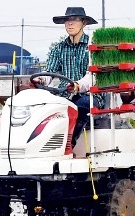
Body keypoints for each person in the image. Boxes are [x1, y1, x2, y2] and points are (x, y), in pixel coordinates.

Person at [35, 7, 104, 149]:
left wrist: (78, 85)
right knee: (44, 108)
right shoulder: (58, 48)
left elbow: (93, 75)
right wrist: (41, 79)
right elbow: (49, 71)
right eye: (67, 20)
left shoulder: (93, 47)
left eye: (74, 20)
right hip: (65, 94)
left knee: (81, 105)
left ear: (84, 23)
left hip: (89, 95)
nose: (70, 24)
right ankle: (41, 146)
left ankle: (68, 145)